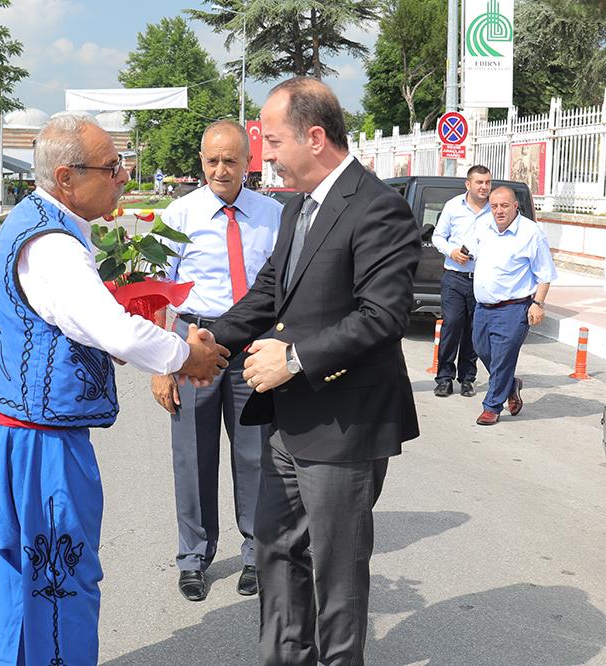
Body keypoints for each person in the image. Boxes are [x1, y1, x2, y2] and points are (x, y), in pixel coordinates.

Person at [0, 113, 229, 666]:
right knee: (62, 577)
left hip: (8, 426)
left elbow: (74, 323)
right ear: (66, 177)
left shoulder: (33, 218)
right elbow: (105, 325)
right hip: (40, 445)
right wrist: (186, 355)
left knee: (19, 576)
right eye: (111, 169)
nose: (123, 180)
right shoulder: (55, 245)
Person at [208, 77, 421, 666]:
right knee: (276, 551)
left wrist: (294, 359)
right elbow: (272, 291)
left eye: (273, 142)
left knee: (337, 572)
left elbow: (383, 316)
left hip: (343, 424)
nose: (265, 156)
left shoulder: (380, 208)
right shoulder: (296, 206)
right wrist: (205, 339)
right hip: (287, 422)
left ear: (316, 137)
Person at [151, 119, 282, 602]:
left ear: (249, 161)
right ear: (201, 162)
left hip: (253, 347)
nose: (221, 170)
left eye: (231, 160)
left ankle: (257, 555)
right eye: (212, 161)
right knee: (192, 455)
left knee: (257, 456)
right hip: (193, 344)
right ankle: (194, 556)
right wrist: (164, 365)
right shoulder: (179, 215)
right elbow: (155, 297)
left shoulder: (274, 215)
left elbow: (286, 290)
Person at [469, 186, 556, 426]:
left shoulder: (531, 232)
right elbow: (476, 254)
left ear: (515, 206)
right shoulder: (483, 226)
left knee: (503, 357)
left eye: (504, 205)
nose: (499, 211)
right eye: (494, 206)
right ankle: (510, 384)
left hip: (514, 308)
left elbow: (545, 273)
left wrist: (538, 304)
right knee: (481, 349)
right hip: (483, 307)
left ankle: (491, 407)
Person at [431, 165, 493, 398]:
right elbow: (438, 236)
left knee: (474, 330)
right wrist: (452, 251)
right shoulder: (453, 206)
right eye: (479, 182)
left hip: (482, 280)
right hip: (455, 277)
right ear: (468, 184)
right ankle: (444, 378)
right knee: (452, 325)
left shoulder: (493, 208)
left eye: (487, 182)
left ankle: (467, 378)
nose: (484, 187)